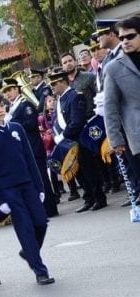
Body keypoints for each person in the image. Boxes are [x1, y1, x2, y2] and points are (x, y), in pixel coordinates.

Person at [0, 90, 55, 285]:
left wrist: (40, 186)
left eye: (2, 105)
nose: (0, 110)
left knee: (41, 222)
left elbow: (29, 158)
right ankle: (40, 270)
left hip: (28, 184)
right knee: (25, 227)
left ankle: (29, 252)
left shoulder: (16, 128)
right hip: (8, 189)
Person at [0, 78, 59, 217]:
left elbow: (32, 124)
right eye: (5, 91)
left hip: (33, 147)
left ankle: (50, 208)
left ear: (17, 89)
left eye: (10, 89)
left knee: (41, 178)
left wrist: (12, 121)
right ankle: (41, 208)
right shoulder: (12, 107)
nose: (8, 93)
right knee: (33, 180)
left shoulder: (25, 104)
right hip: (23, 149)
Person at [50, 69, 107, 212]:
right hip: (69, 142)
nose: (52, 87)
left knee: (89, 171)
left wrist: (62, 136)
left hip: (78, 139)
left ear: (63, 82)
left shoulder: (75, 96)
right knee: (79, 172)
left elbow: (77, 121)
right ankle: (89, 198)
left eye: (54, 83)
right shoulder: (60, 99)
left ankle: (99, 198)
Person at [104, 16, 140, 199]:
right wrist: (115, 139)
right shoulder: (113, 68)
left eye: (130, 36)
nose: (125, 41)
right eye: (121, 37)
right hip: (136, 135)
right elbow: (109, 107)